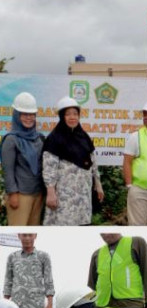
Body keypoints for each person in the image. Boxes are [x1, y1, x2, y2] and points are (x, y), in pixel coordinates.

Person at [42, 96, 104, 225]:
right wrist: (50, 193)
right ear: (61, 116)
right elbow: (49, 168)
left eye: (75, 114)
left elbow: (93, 162)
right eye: (68, 114)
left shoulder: (84, 136)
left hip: (84, 194)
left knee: (82, 225)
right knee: (63, 225)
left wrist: (98, 185)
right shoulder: (54, 138)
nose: (72, 117)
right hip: (64, 196)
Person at [88, 234, 147, 308]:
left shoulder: (136, 243)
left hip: (130, 305)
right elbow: (93, 284)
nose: (106, 233)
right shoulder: (96, 254)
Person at [0, 92, 45, 225]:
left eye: (31, 114)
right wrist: (12, 194)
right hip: (20, 195)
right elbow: (8, 170)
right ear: (16, 116)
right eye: (25, 114)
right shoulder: (11, 140)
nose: (29, 118)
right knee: (19, 231)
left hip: (38, 194)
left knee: (33, 229)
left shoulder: (39, 138)